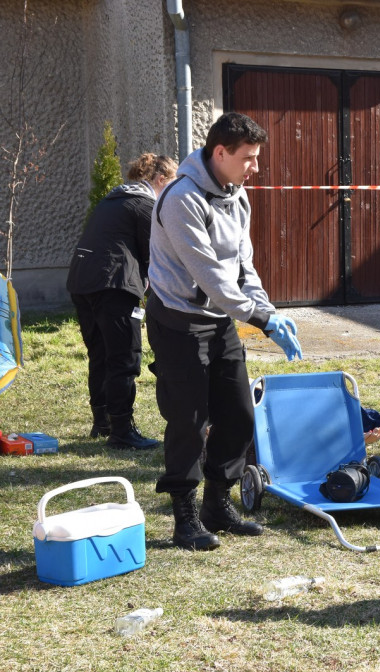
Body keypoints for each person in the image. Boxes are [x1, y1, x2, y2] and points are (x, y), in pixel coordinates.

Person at [147, 112, 303, 551]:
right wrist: (260, 320)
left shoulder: (238, 195)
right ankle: (185, 519)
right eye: (248, 158)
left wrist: (268, 308)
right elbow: (212, 277)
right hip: (177, 321)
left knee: (238, 415)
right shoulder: (182, 199)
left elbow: (242, 265)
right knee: (189, 421)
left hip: (218, 323)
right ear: (220, 153)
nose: (255, 167)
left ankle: (218, 504)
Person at [66, 153, 178, 450]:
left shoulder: (113, 199)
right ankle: (121, 431)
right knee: (125, 358)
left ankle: (102, 422)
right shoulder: (145, 205)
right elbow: (157, 258)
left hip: (82, 282)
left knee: (101, 354)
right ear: (161, 180)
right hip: (114, 285)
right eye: (173, 184)